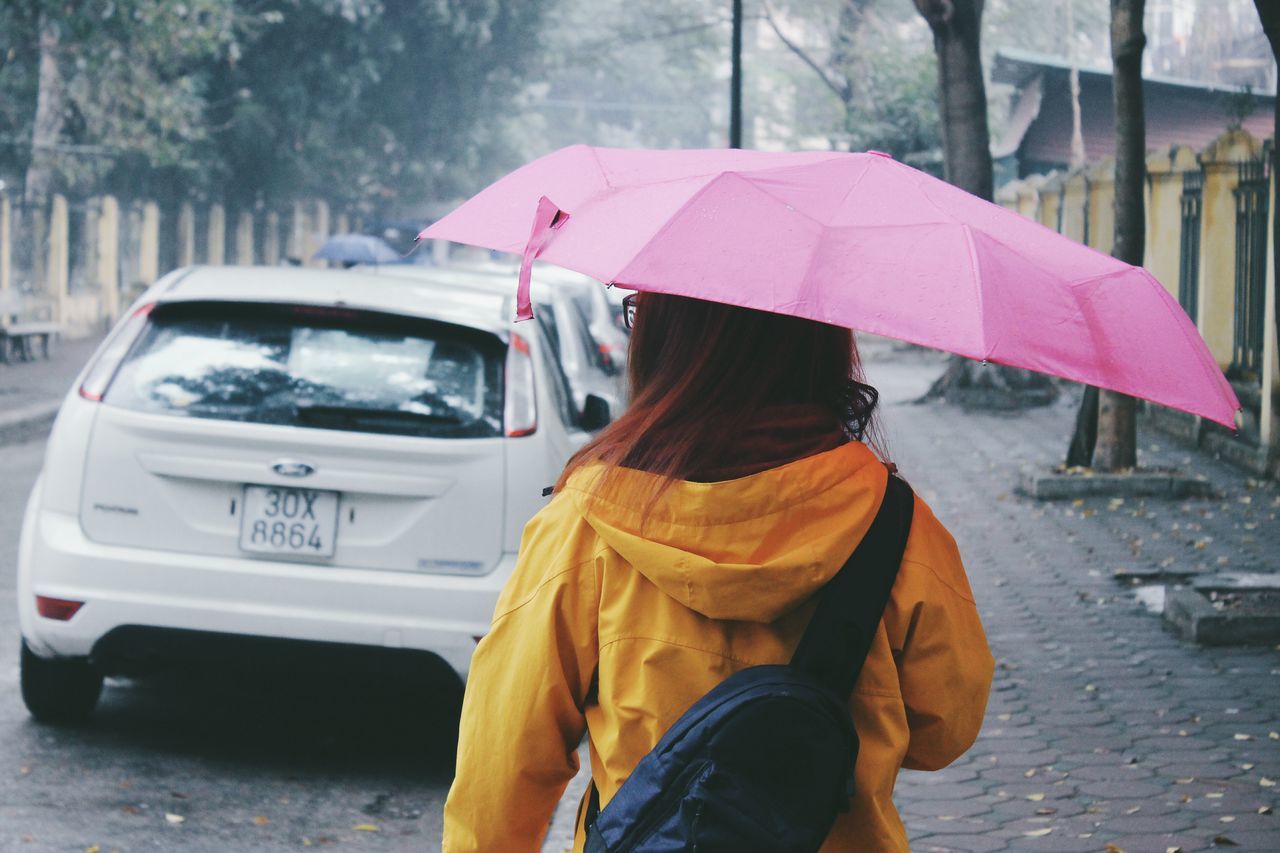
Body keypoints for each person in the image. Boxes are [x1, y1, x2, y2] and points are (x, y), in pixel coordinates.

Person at [443, 293, 994, 852]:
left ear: (666, 339)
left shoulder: (585, 524)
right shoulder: (894, 524)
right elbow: (944, 729)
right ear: (820, 341)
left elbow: (505, 757)